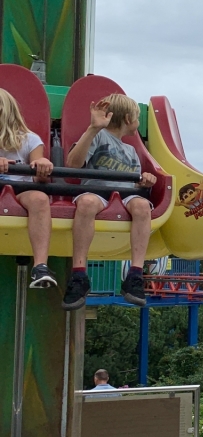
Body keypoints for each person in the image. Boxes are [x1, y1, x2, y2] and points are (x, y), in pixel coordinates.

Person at [63, 95, 157, 310]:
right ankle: (79, 274)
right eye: (137, 118)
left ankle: (135, 274)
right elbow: (73, 164)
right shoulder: (98, 136)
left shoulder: (131, 151)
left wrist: (145, 180)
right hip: (97, 191)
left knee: (142, 206)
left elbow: (134, 184)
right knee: (86, 203)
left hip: (125, 194)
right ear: (128, 119)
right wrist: (93, 129)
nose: (138, 123)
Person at [0, 89, 56, 287]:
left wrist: (42, 166)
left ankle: (40, 266)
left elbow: (39, 175)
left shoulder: (29, 139)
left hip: (19, 189)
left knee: (39, 198)